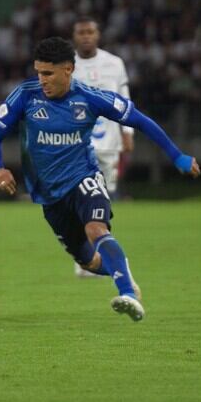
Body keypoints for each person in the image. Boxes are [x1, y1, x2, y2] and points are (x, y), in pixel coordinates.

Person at [0, 37, 201, 322]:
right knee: (89, 261)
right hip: (49, 195)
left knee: (97, 229)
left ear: (68, 70)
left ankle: (128, 295)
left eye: (48, 73)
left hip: (84, 178)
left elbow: (140, 120)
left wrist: (177, 157)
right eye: (38, 72)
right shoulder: (25, 95)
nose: (42, 80)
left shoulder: (89, 98)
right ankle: (119, 265)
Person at [72, 17, 135, 277]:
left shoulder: (114, 63)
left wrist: (127, 131)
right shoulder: (67, 65)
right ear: (75, 36)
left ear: (98, 35)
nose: (86, 36)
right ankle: (84, 257)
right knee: (78, 200)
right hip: (76, 145)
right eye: (81, 32)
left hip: (109, 144)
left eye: (90, 31)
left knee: (103, 201)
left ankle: (102, 254)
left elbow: (124, 100)